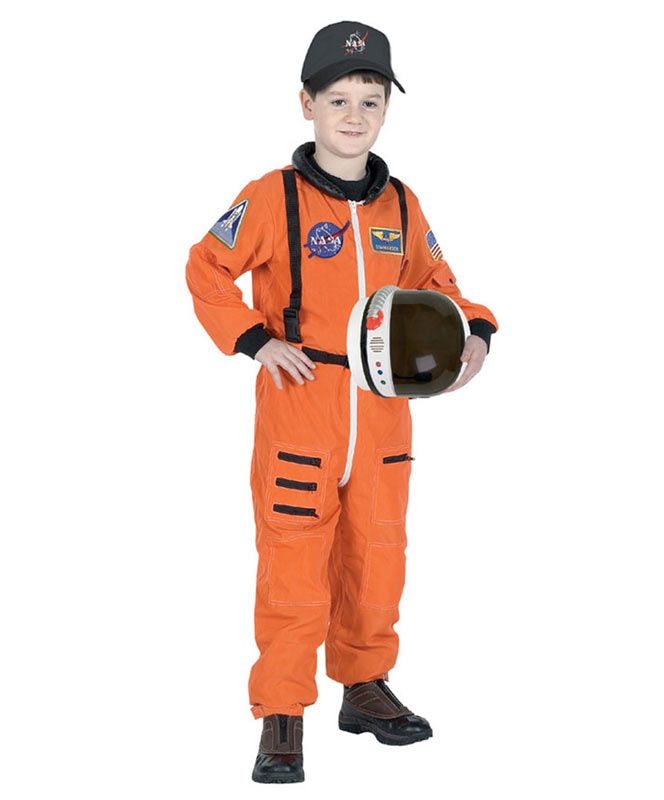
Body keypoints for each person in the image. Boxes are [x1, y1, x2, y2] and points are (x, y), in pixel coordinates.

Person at [185, 20, 499, 784]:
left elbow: (439, 284)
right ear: (307, 104)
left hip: (383, 412)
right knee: (294, 567)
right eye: (337, 100)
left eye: (370, 100)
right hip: (302, 406)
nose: (354, 115)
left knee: (377, 556)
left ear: (387, 108)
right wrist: (255, 341)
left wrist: (477, 331)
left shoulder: (402, 207)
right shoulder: (273, 198)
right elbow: (205, 268)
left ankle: (364, 684)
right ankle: (282, 713)